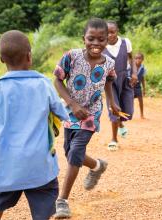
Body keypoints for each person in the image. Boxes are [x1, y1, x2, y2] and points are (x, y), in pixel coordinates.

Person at [0, 30, 69, 220]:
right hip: (40, 166)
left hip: (6, 167)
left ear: (1, 59)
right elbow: (62, 114)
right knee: (45, 205)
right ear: (29, 57)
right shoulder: (44, 85)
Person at [53, 18, 119, 219]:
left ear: (107, 40)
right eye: (91, 39)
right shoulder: (71, 57)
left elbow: (108, 81)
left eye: (101, 39)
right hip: (70, 111)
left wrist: (111, 103)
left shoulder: (109, 63)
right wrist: (72, 104)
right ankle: (98, 166)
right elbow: (57, 80)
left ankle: (62, 201)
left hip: (91, 114)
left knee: (75, 153)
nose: (96, 43)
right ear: (84, 39)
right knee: (69, 152)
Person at [103, 20, 138, 151]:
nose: (110, 35)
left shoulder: (125, 42)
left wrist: (134, 73)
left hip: (125, 79)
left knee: (128, 112)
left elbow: (131, 58)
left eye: (112, 32)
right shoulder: (102, 46)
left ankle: (121, 123)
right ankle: (114, 139)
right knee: (114, 109)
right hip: (110, 82)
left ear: (117, 31)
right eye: (107, 33)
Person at [134, 52, 147, 119]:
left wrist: (144, 89)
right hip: (130, 86)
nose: (138, 60)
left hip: (138, 86)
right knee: (129, 101)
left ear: (142, 59)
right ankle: (127, 114)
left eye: (139, 58)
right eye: (136, 58)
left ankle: (142, 114)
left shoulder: (143, 68)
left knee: (140, 100)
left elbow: (142, 79)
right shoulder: (130, 67)